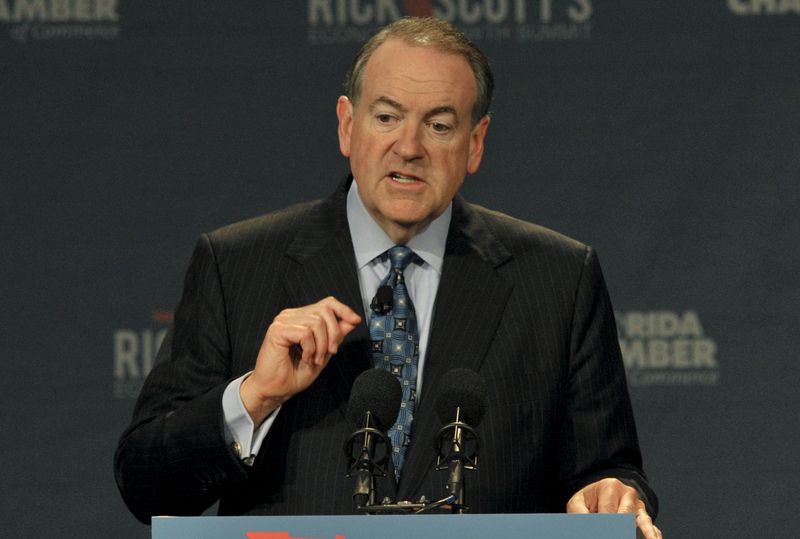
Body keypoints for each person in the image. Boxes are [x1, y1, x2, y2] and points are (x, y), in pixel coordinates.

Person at [115, 17, 661, 539]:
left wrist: (610, 496)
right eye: (386, 117)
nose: (409, 147)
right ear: (347, 126)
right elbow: (147, 487)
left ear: (475, 142)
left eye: (439, 124)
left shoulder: (559, 279)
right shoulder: (235, 266)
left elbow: (607, 471)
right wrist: (254, 398)